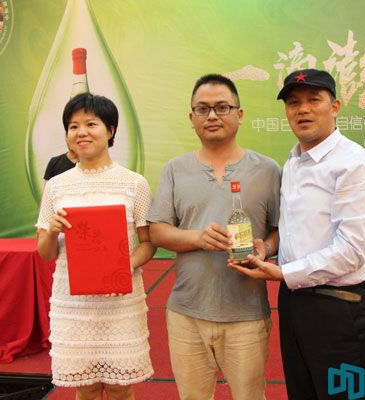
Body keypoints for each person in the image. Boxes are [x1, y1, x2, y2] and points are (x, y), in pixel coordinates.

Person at [229, 69, 365, 400]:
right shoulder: (294, 162)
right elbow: (295, 229)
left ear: (335, 106)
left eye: (314, 100)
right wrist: (267, 249)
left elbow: (351, 251)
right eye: (293, 102)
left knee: (343, 396)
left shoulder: (354, 164)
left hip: (340, 308)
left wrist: (282, 273)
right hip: (294, 302)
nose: (303, 109)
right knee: (302, 392)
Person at [147, 74, 281, 400]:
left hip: (246, 315)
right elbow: (157, 230)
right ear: (191, 117)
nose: (212, 116)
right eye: (202, 109)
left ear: (240, 114)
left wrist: (266, 248)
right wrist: (199, 238)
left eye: (222, 107)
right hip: (186, 314)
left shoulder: (268, 170)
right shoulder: (175, 169)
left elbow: (280, 230)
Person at [36, 92, 155, 400]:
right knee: (85, 387)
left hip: (120, 302)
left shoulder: (135, 183)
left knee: (119, 387)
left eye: (91, 124)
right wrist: (51, 232)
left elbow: (148, 244)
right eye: (73, 126)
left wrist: (123, 267)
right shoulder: (56, 186)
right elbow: (46, 252)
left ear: (111, 130)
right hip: (73, 305)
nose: (82, 132)